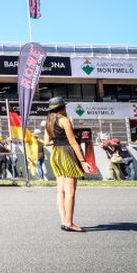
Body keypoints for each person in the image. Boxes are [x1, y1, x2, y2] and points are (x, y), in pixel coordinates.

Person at [43, 97, 92, 232]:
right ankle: (69, 223)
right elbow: (73, 142)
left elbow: (46, 142)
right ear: (62, 108)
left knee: (60, 191)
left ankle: (64, 221)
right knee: (70, 192)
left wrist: (58, 141)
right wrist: (83, 161)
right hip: (67, 154)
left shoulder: (48, 122)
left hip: (56, 154)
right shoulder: (64, 120)